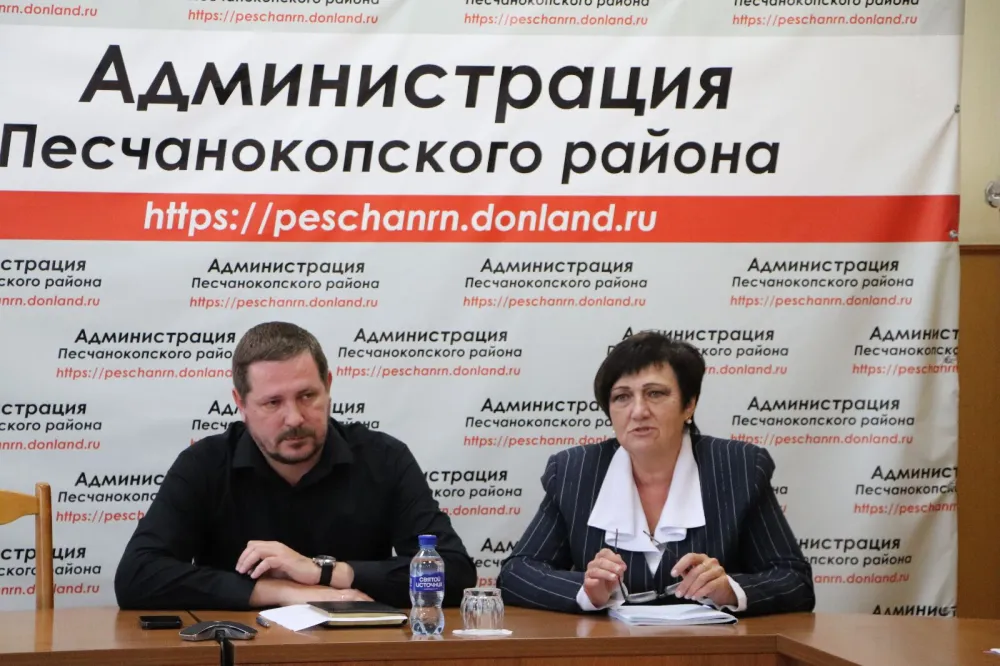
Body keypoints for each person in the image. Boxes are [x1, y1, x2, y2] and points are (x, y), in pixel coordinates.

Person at [114, 321, 477, 610]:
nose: (294, 418)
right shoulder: (205, 464)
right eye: (272, 403)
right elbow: (137, 576)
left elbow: (455, 572)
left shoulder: (383, 457)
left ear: (328, 387)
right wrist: (283, 592)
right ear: (241, 403)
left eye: (307, 396)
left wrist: (325, 572)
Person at [496, 331, 814, 616]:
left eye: (655, 393)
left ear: (689, 405)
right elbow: (516, 574)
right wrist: (586, 591)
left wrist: (730, 590)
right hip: (606, 651)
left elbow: (794, 581)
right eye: (622, 397)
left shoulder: (739, 467)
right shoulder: (575, 471)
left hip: (713, 651)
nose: (638, 411)